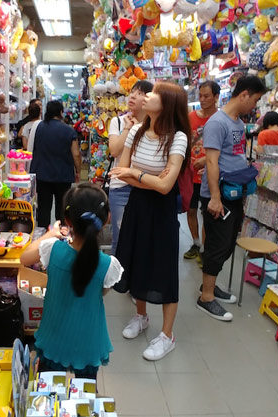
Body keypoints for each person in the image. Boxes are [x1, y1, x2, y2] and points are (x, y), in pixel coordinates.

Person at [109, 81, 190, 361]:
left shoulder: (178, 137)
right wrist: (150, 178)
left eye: (153, 94)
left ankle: (167, 335)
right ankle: (141, 316)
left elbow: (167, 187)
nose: (146, 96)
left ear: (166, 103)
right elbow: (122, 173)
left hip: (162, 210)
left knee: (165, 268)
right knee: (138, 260)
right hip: (138, 205)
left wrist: (138, 175)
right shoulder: (136, 130)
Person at [20, 183, 123, 379]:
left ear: (67, 220)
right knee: (86, 397)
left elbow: (24, 258)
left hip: (54, 336)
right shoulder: (109, 265)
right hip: (88, 341)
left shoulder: (52, 249)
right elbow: (100, 292)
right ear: (107, 218)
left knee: (47, 393)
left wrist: (50, 234)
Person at [199, 75, 267, 322]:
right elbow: (212, 160)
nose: (255, 106)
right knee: (217, 245)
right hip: (219, 195)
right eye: (256, 100)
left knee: (228, 244)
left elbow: (225, 154)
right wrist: (215, 197)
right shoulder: (218, 123)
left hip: (234, 192)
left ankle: (210, 284)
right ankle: (206, 297)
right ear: (245, 94)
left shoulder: (237, 122)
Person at [107, 79, 153, 254]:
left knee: (142, 238)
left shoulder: (154, 126)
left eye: (140, 94)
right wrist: (128, 128)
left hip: (145, 185)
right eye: (132, 92)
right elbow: (114, 150)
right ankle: (118, 279)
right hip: (121, 187)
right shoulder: (117, 122)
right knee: (120, 237)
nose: (133, 96)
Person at [183, 80, 220, 263]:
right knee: (190, 210)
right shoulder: (190, 118)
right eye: (200, 95)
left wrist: (206, 160)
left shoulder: (221, 120)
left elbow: (225, 149)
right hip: (191, 174)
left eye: (207, 96)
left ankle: (205, 249)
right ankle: (196, 243)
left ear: (216, 97)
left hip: (211, 175)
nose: (203, 99)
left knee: (206, 213)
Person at [30, 100, 82, 229]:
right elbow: (76, 154)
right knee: (62, 208)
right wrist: (78, 171)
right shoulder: (68, 130)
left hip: (42, 174)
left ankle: (43, 236)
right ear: (60, 112)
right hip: (63, 175)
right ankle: (62, 235)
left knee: (43, 208)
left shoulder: (39, 127)